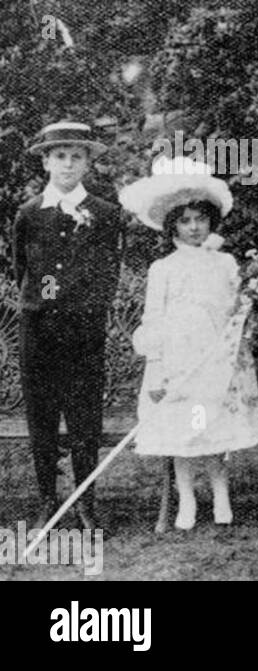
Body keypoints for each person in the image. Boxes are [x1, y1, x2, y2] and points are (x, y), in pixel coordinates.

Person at [120, 156, 258, 529]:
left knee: (213, 428)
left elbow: (237, 311)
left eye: (200, 220)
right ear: (172, 226)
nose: (193, 227)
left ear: (210, 222)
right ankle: (186, 498)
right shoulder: (163, 269)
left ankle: (220, 493)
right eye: (185, 221)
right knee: (182, 430)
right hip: (178, 360)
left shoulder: (225, 263)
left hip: (215, 357)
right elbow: (154, 318)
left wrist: (244, 314)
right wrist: (158, 358)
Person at [12, 121, 126, 530]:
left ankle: (85, 501)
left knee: (84, 418)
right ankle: (47, 498)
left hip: (83, 332)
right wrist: (44, 302)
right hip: (38, 330)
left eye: (77, 156)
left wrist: (87, 312)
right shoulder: (29, 213)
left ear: (88, 163)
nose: (67, 164)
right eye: (59, 155)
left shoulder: (105, 213)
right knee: (41, 417)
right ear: (45, 161)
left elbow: (109, 273)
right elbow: (21, 267)